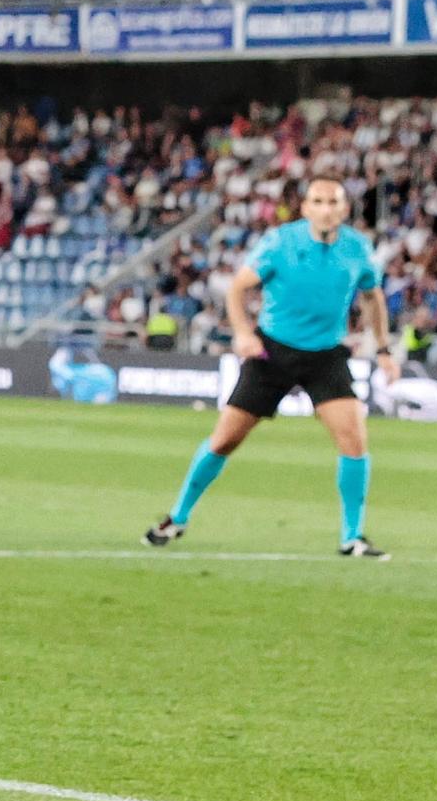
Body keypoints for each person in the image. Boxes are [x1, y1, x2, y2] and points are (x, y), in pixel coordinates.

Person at [144, 179, 402, 558]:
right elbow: (237, 288)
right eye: (318, 201)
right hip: (272, 352)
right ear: (306, 208)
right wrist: (243, 334)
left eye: (334, 202)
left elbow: (372, 296)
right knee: (225, 440)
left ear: (345, 209)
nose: (327, 208)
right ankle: (177, 517)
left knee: (354, 441)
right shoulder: (282, 242)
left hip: (326, 355)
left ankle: (353, 537)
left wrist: (383, 349)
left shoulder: (357, 248)